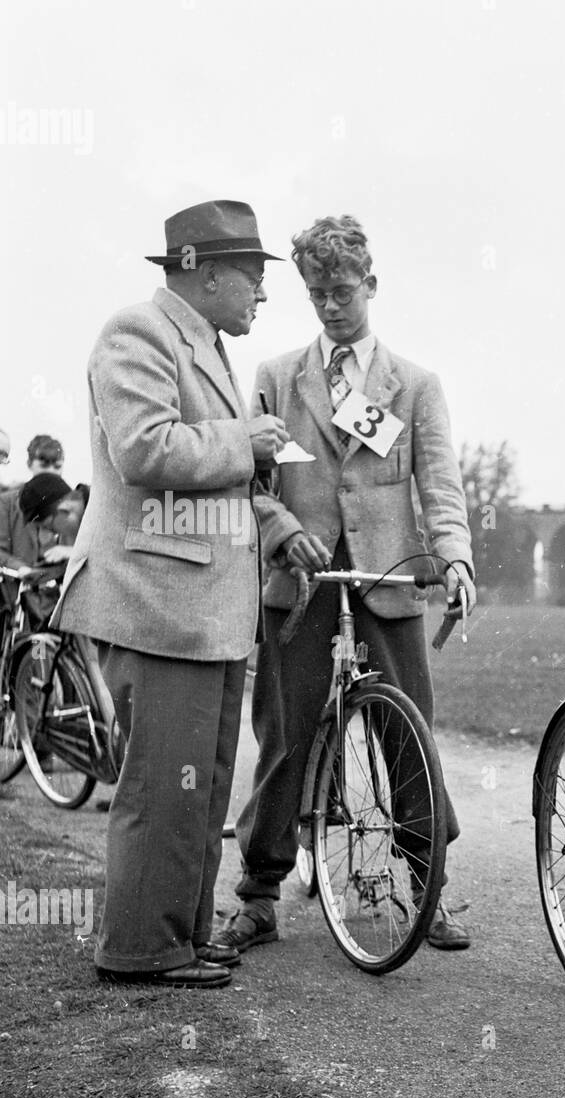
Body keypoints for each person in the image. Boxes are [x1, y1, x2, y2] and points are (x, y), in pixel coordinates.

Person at [212, 213, 476, 955]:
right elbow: (249, 481)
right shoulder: (275, 378)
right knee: (286, 739)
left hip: (384, 581)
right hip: (302, 586)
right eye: (317, 292)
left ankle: (430, 885)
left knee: (406, 732)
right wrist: (276, 528)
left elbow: (440, 483)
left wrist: (452, 555)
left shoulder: (416, 386)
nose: (330, 305)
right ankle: (259, 895)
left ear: (371, 285)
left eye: (343, 291)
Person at [54, 199, 289, 988]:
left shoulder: (206, 344)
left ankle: (181, 935)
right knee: (164, 782)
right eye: (253, 276)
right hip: (157, 603)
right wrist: (244, 442)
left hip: (202, 608)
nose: (261, 292)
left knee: (201, 780)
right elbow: (143, 449)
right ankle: (140, 950)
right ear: (204, 272)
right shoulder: (139, 332)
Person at [0, 473, 74, 625]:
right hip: (23, 603)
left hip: (59, 603)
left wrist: (69, 552)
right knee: (35, 644)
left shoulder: (71, 513)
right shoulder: (7, 503)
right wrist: (21, 568)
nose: (49, 469)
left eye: (56, 465)